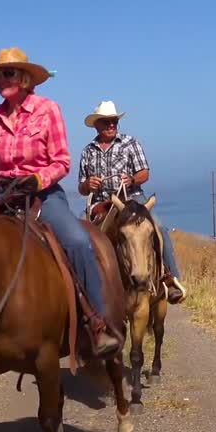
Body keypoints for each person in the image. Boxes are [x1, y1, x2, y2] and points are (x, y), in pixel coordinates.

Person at [0, 47, 120, 357]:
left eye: (9, 73)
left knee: (79, 242)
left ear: (26, 78)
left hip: (43, 195)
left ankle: (98, 322)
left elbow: (62, 161)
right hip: (4, 197)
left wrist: (38, 180)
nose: (2, 79)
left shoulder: (47, 110)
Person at [77, 100, 187, 304]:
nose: (111, 125)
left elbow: (144, 172)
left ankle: (171, 279)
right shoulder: (87, 151)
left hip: (132, 198)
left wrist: (132, 180)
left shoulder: (130, 143)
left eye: (114, 121)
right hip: (101, 202)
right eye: (106, 122)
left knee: (159, 228)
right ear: (97, 125)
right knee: (79, 234)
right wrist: (88, 185)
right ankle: (81, 285)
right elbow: (81, 187)